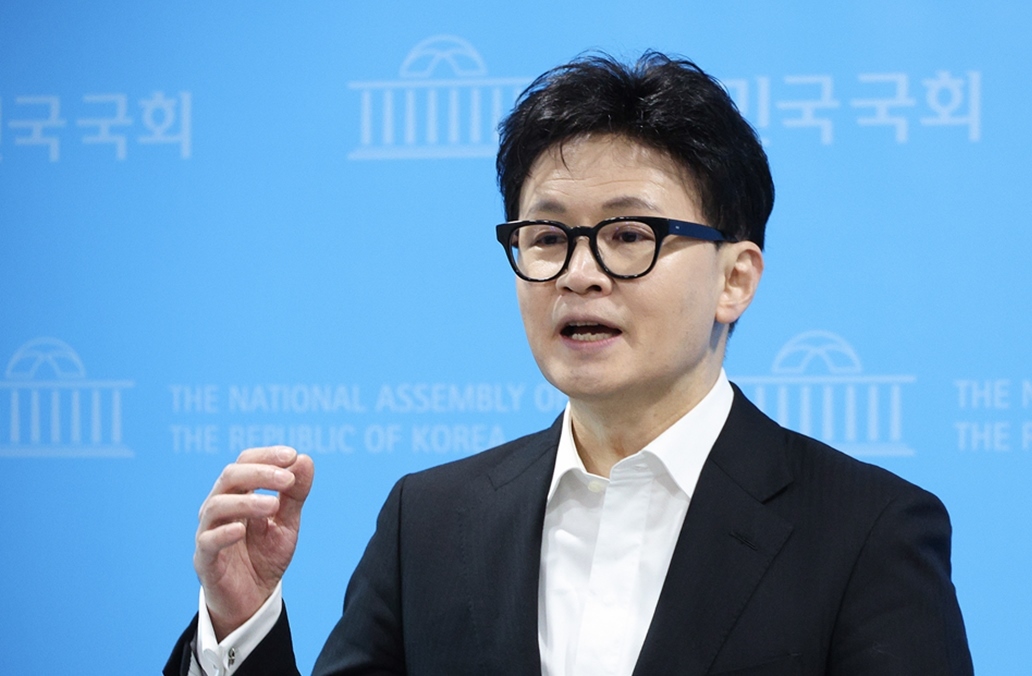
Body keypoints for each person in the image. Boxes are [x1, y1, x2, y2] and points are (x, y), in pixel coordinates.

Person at [166, 51, 973, 676]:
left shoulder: (865, 531)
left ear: (735, 279)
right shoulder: (431, 523)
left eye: (629, 235)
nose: (580, 273)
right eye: (547, 237)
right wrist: (241, 622)